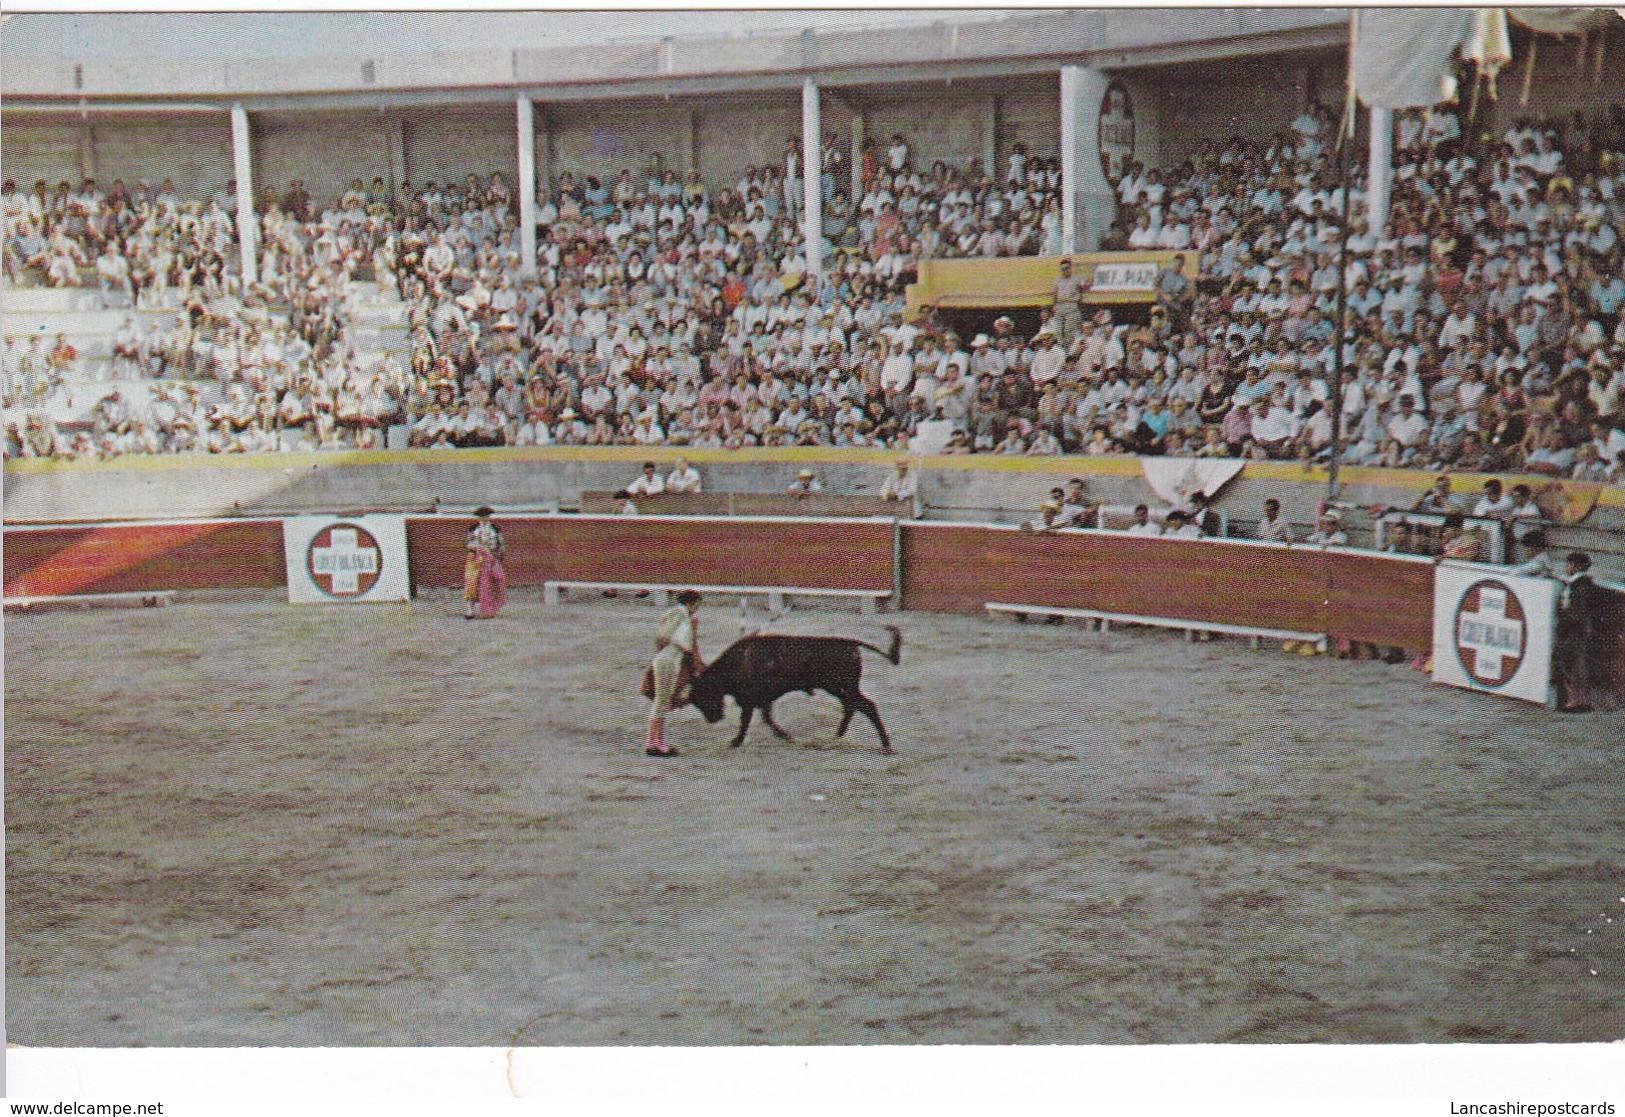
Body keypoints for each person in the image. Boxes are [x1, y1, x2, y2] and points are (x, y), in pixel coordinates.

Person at [645, 589, 704, 756]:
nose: (696, 609)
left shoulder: (677, 615)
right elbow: (662, 636)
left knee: (662, 701)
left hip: (668, 658)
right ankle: (656, 743)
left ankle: (654, 742)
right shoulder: (680, 616)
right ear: (690, 604)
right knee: (662, 702)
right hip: (669, 660)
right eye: (696, 605)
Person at [1553, 552, 1600, 713]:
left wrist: (1564, 626)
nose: (1566, 567)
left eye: (1569, 564)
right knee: (1577, 666)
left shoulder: (1579, 586)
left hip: (1574, 631)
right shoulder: (1581, 585)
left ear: (1576, 566)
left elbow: (1575, 613)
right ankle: (1581, 700)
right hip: (1578, 631)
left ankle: (1574, 700)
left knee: (1571, 665)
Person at [463, 506, 507, 619]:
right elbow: (467, 543)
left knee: (489, 585)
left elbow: (501, 545)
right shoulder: (473, 529)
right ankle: (470, 609)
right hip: (475, 558)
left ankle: (488, 610)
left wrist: (497, 558)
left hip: (490, 558)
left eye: (486, 516)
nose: (483, 518)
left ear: (489, 517)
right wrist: (475, 550)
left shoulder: (495, 529)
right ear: (478, 518)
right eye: (481, 516)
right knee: (472, 584)